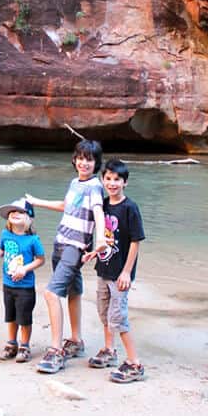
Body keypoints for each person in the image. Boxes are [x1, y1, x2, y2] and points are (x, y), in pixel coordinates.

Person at [26, 139, 106, 374]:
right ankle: (76, 340)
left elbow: (99, 213)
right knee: (73, 292)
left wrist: (100, 240)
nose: (84, 163)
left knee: (51, 293)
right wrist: (36, 202)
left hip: (75, 246)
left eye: (89, 160)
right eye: (80, 158)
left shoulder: (95, 186)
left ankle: (56, 350)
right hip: (61, 241)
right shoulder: (75, 183)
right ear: (74, 159)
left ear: (96, 163)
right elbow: (66, 206)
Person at [83, 158, 145, 383]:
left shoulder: (130, 208)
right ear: (102, 180)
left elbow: (136, 242)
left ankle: (134, 363)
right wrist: (92, 253)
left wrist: (127, 272)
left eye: (117, 179)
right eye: (108, 179)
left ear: (125, 182)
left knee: (118, 318)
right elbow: (101, 237)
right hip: (103, 269)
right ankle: (109, 350)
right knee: (104, 313)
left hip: (120, 273)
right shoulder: (103, 206)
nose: (112, 183)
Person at [0, 197, 45, 364]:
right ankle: (11, 344)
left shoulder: (33, 240)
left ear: (29, 218)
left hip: (25, 286)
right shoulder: (5, 234)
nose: (15, 214)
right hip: (8, 283)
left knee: (24, 317)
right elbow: (3, 250)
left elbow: (41, 259)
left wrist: (25, 269)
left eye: (20, 212)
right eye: (12, 212)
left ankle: (24, 346)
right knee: (10, 316)